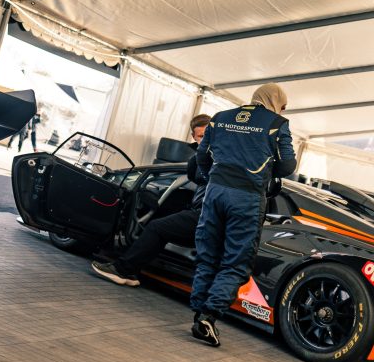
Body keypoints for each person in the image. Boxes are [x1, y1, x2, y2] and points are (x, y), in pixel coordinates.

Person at [189, 84, 296, 347]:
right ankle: (208, 316)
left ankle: (199, 314)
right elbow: (287, 165)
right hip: (246, 197)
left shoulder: (220, 117)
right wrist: (265, 171)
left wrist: (213, 178)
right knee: (236, 262)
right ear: (275, 101)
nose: (282, 111)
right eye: (282, 106)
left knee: (207, 255)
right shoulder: (277, 124)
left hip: (215, 192)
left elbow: (202, 155)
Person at [91, 113, 211, 286]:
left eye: (207, 135)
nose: (204, 140)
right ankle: (131, 272)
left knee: (156, 227)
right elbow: (193, 175)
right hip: (205, 215)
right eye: (200, 136)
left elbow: (198, 175)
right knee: (163, 226)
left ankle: (123, 270)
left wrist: (202, 151)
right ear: (193, 137)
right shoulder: (203, 156)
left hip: (205, 216)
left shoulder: (215, 157)